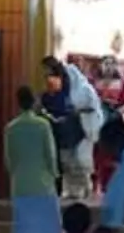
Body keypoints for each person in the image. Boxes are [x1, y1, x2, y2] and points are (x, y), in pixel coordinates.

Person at [7, 85, 63, 233]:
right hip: (43, 184)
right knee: (48, 230)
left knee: (23, 231)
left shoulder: (11, 127)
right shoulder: (42, 125)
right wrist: (55, 175)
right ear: (35, 102)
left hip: (20, 185)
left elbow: (9, 159)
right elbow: (50, 154)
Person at [46, 55, 107, 200]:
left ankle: (84, 189)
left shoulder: (85, 90)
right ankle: (70, 189)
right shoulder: (62, 89)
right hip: (69, 128)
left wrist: (75, 111)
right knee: (67, 160)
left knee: (81, 160)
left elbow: (87, 107)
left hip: (84, 128)